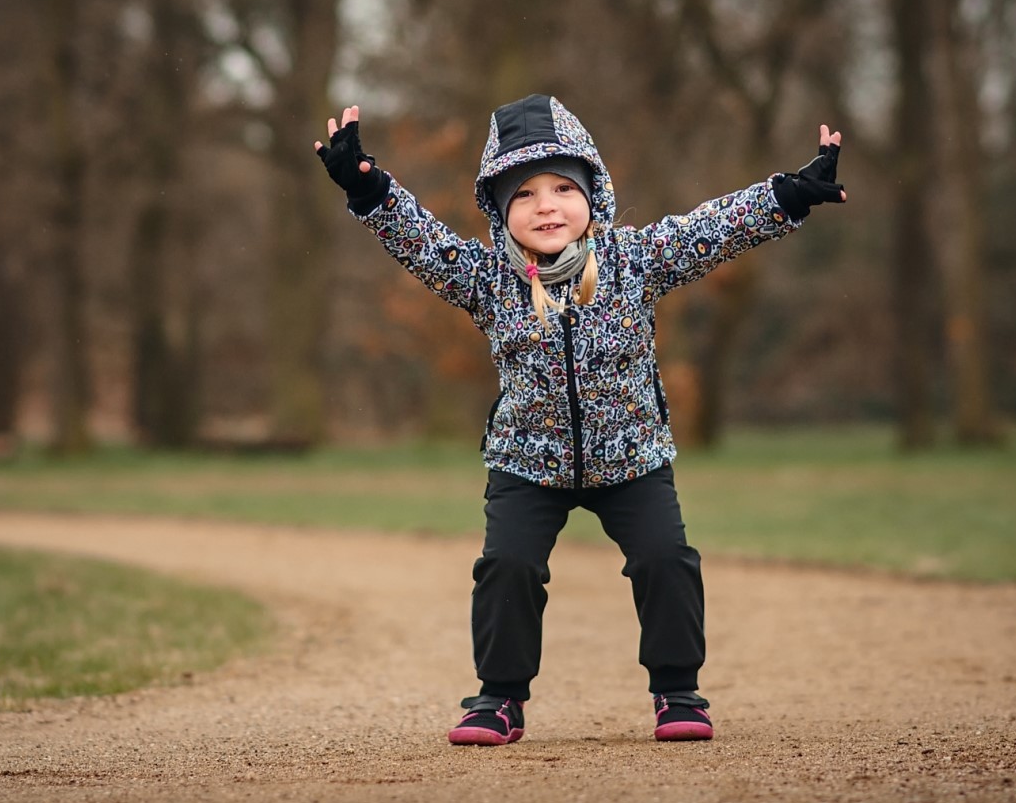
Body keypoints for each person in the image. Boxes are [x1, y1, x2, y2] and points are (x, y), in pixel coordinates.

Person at [313, 93, 846, 746]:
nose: (546, 205)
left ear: (594, 196)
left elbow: (712, 228)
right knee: (506, 566)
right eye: (524, 194)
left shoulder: (632, 260)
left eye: (563, 188)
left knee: (664, 559)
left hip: (631, 460)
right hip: (526, 464)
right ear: (498, 212)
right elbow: (421, 244)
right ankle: (497, 699)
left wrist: (788, 195)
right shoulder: (484, 278)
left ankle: (677, 692)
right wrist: (368, 191)